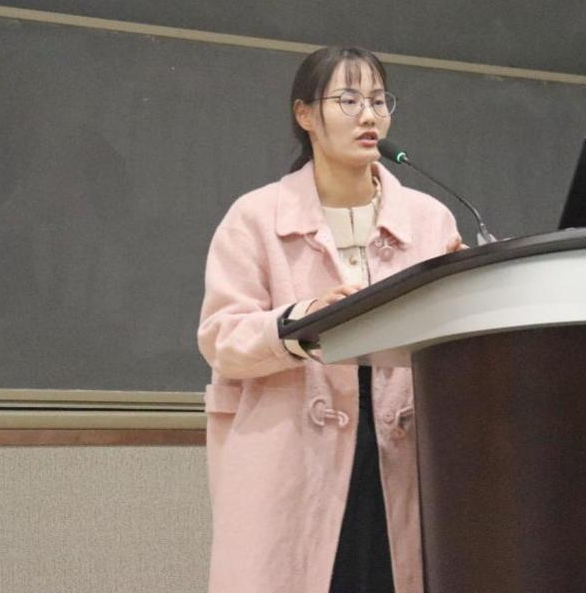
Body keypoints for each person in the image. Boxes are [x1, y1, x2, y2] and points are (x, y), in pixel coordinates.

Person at [198, 46, 462, 593]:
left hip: (403, 459)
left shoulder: (430, 220)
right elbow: (221, 338)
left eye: (379, 101)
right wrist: (299, 324)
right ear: (305, 115)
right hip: (291, 463)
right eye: (348, 100)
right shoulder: (255, 218)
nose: (369, 116)